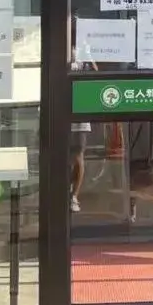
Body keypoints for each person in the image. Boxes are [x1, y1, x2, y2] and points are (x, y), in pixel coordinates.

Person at [69, 15, 95, 213]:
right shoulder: (57, 45)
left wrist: (88, 56)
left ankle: (74, 196)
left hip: (79, 107)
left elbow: (95, 73)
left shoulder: (83, 50)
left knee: (78, 154)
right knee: (59, 153)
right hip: (60, 105)